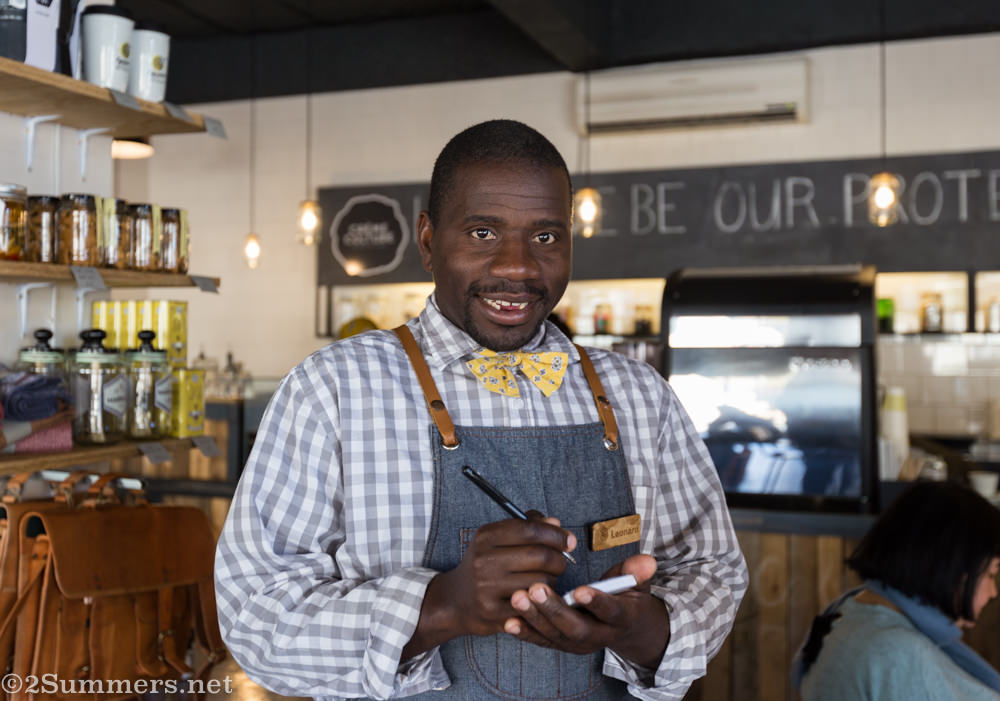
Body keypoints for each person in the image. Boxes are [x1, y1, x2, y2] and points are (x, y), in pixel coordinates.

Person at [214, 119, 747, 700]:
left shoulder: (641, 396)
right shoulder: (332, 391)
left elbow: (712, 570)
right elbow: (256, 616)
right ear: (427, 240)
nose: (517, 266)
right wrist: (441, 606)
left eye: (545, 237)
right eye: (483, 233)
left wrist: (648, 630)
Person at [792, 480, 1000, 700]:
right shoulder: (896, 653)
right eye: (990, 574)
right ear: (952, 570)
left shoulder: (847, 609)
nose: (994, 591)